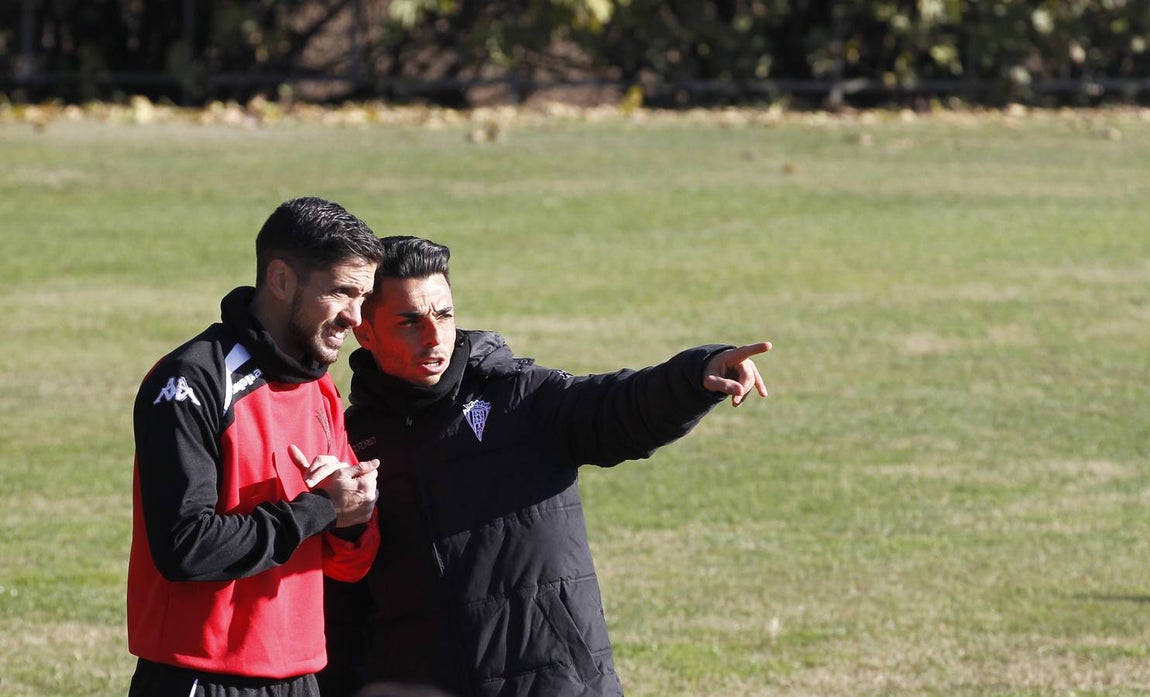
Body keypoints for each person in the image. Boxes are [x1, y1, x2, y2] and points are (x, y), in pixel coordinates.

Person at [320, 236, 770, 697]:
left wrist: (696, 376)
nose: (435, 336)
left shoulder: (523, 400)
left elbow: (619, 407)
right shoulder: (350, 444)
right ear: (366, 332)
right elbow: (340, 608)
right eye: (410, 322)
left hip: (557, 683)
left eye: (444, 315)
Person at [126, 197, 386, 697]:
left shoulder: (320, 389)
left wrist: (355, 515)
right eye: (340, 292)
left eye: (363, 297)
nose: (355, 317)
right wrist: (320, 509)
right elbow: (186, 547)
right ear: (282, 279)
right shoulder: (190, 382)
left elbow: (347, 563)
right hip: (200, 677)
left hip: (300, 677)